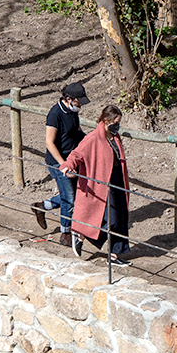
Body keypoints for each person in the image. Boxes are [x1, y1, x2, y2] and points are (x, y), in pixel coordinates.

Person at [60, 104, 131, 267]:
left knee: (120, 218)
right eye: (115, 122)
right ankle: (82, 234)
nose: (117, 125)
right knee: (111, 219)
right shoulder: (93, 138)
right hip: (101, 182)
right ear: (106, 121)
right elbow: (76, 154)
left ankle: (114, 255)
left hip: (117, 181)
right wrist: (67, 165)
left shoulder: (115, 137)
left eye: (119, 122)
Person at [32, 82, 88, 246]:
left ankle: (42, 206)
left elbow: (77, 132)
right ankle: (65, 234)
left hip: (71, 160)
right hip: (58, 162)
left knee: (73, 195)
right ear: (69, 99)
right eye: (79, 101)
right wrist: (64, 165)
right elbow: (50, 143)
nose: (81, 105)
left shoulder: (72, 112)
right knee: (69, 199)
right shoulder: (55, 113)